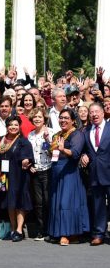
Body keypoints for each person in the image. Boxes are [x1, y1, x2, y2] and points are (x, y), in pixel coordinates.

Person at [48, 108, 89, 246]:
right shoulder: (58, 135)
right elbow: (53, 154)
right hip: (57, 172)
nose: (63, 120)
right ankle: (58, 232)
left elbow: (76, 153)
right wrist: (49, 146)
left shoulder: (77, 134)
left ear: (73, 120)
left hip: (70, 173)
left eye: (66, 118)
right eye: (61, 117)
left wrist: (63, 149)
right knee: (57, 202)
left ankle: (69, 234)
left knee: (67, 203)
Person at [0, 116, 34, 242]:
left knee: (19, 202)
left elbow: (28, 157)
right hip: (3, 176)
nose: (13, 127)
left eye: (16, 125)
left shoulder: (23, 141)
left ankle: (19, 230)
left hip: (19, 175)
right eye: (11, 125)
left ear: (19, 127)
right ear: (6, 126)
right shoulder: (1, 140)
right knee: (8, 201)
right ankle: (12, 229)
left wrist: (25, 160)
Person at [81, 103, 110, 246]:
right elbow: (84, 149)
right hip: (95, 173)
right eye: (91, 112)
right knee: (98, 205)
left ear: (103, 113)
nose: (94, 114)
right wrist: (84, 155)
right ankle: (99, 234)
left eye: (97, 111)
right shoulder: (86, 131)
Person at [28, 108, 53, 240]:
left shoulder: (51, 132)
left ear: (44, 119)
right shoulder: (30, 135)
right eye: (35, 117)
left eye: (39, 117)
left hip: (48, 170)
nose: (37, 119)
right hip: (36, 171)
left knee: (48, 200)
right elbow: (29, 154)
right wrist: (30, 166)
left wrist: (48, 140)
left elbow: (53, 153)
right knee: (38, 202)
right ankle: (41, 230)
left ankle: (50, 229)